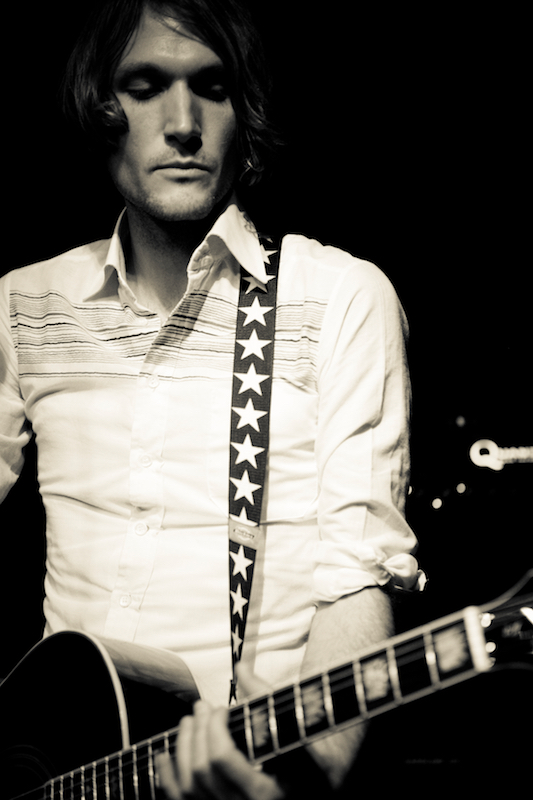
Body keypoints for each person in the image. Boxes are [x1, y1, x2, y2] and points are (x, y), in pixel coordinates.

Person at [0, 0, 424, 796]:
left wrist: (302, 781)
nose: (183, 124)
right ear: (100, 109)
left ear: (244, 113)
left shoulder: (338, 297)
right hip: (48, 765)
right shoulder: (23, 304)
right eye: (145, 86)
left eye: (213, 87)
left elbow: (356, 574)